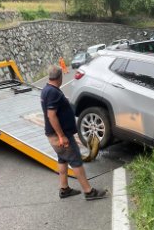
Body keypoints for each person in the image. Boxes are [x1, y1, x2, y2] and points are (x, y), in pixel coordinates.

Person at [40, 65, 107, 200]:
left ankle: (64, 189)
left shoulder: (46, 89)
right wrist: (62, 136)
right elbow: (51, 115)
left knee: (63, 159)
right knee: (76, 161)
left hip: (54, 134)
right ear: (60, 77)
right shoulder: (53, 92)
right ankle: (89, 192)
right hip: (60, 135)